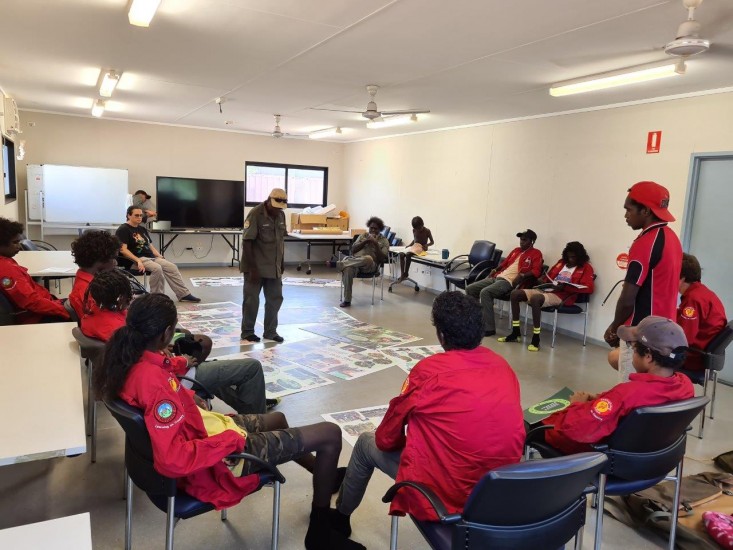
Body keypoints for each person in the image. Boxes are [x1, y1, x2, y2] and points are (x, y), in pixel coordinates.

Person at [94, 293, 364, 550]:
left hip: (201, 436)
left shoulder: (128, 360)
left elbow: (159, 388)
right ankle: (319, 530)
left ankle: (324, 476)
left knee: (278, 418)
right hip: (216, 463)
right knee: (330, 434)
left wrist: (186, 397)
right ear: (166, 333)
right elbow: (173, 459)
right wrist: (230, 441)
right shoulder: (155, 385)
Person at [331, 291, 525, 535]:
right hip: (497, 490)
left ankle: (339, 518)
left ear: (441, 335)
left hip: (447, 493)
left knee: (364, 444)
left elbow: (385, 439)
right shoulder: (503, 366)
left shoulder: (429, 372)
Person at [82, 271, 274, 414]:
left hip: (167, 368)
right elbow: (160, 371)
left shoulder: (95, 317)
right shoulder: (119, 332)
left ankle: (251, 404)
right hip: (175, 374)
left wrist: (161, 346)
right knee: (251, 367)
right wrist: (182, 362)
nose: (131, 299)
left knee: (214, 371)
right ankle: (257, 418)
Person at [541, 316, 694, 455]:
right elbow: (627, 405)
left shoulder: (626, 394)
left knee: (534, 428)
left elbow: (575, 430)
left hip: (612, 460)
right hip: (655, 459)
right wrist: (602, 399)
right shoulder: (686, 385)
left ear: (648, 356)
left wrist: (575, 405)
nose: (632, 353)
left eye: (633, 349)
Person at [605, 181, 682, 380]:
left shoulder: (645, 242)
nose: (625, 215)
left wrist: (614, 327)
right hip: (665, 332)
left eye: (628, 209)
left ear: (645, 211)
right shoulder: (672, 238)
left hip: (642, 333)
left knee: (631, 390)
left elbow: (628, 296)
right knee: (655, 390)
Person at [499, 241, 594, 351]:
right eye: (568, 257)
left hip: (562, 296)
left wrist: (565, 287)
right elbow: (549, 277)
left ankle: (536, 339)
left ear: (580, 256)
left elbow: (589, 288)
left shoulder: (586, 267)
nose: (571, 260)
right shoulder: (561, 263)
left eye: (573, 257)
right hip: (546, 290)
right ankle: (515, 333)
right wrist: (542, 280)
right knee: (515, 294)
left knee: (535, 298)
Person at [465, 229, 543, 336]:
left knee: (485, 292)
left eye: (524, 240)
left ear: (532, 241)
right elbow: (504, 264)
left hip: (509, 282)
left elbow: (536, 271)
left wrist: (522, 275)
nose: (521, 242)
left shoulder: (536, 253)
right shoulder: (516, 250)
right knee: (470, 288)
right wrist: (495, 270)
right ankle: (476, 320)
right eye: (521, 239)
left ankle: (489, 328)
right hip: (498, 277)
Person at [116, 206, 200, 303]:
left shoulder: (142, 229)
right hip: (135, 259)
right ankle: (156, 297)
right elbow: (123, 250)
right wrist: (138, 260)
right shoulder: (123, 229)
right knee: (157, 268)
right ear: (128, 216)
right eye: (136, 215)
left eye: (140, 215)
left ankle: (184, 294)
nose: (139, 217)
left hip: (150, 258)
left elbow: (150, 246)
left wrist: (160, 256)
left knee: (171, 267)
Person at [0, 217, 70, 323]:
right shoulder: (7, 270)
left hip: (46, 305)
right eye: (15, 242)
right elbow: (31, 302)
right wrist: (63, 310)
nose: (19, 246)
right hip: (38, 316)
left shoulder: (7, 261)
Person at [240, 188, 287, 343]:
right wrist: (252, 269)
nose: (277, 210)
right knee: (251, 300)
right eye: (275, 207)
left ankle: (270, 331)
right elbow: (247, 242)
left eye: (280, 207)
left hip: (273, 266)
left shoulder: (281, 215)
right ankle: (247, 332)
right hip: (255, 266)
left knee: (275, 298)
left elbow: (281, 242)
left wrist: (281, 262)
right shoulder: (255, 214)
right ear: (268, 201)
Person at [677, 253, 727, 372]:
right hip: (701, 353)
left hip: (693, 357)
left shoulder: (693, 299)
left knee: (648, 353)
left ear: (682, 278)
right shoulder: (702, 292)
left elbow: (684, 339)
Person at [337, 216, 390, 307]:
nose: (373, 230)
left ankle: (342, 264)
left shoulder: (384, 241)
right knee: (348, 269)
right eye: (371, 228)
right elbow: (353, 250)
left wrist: (375, 244)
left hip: (370, 266)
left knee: (368, 258)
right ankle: (347, 300)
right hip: (356, 265)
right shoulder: (363, 236)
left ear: (380, 229)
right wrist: (365, 241)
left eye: (375, 229)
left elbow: (383, 258)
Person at [69, 230, 121, 318]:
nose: (116, 263)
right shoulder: (92, 293)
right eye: (113, 258)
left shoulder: (85, 281)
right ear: (100, 262)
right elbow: (106, 323)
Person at [397, 216, 434, 282]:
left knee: (408, 255)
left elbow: (432, 242)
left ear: (422, 224)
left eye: (419, 228)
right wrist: (409, 245)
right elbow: (415, 240)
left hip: (422, 248)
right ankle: (402, 274)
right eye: (416, 229)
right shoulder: (414, 230)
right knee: (401, 254)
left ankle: (406, 273)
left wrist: (427, 245)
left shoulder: (427, 231)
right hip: (415, 246)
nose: (418, 230)